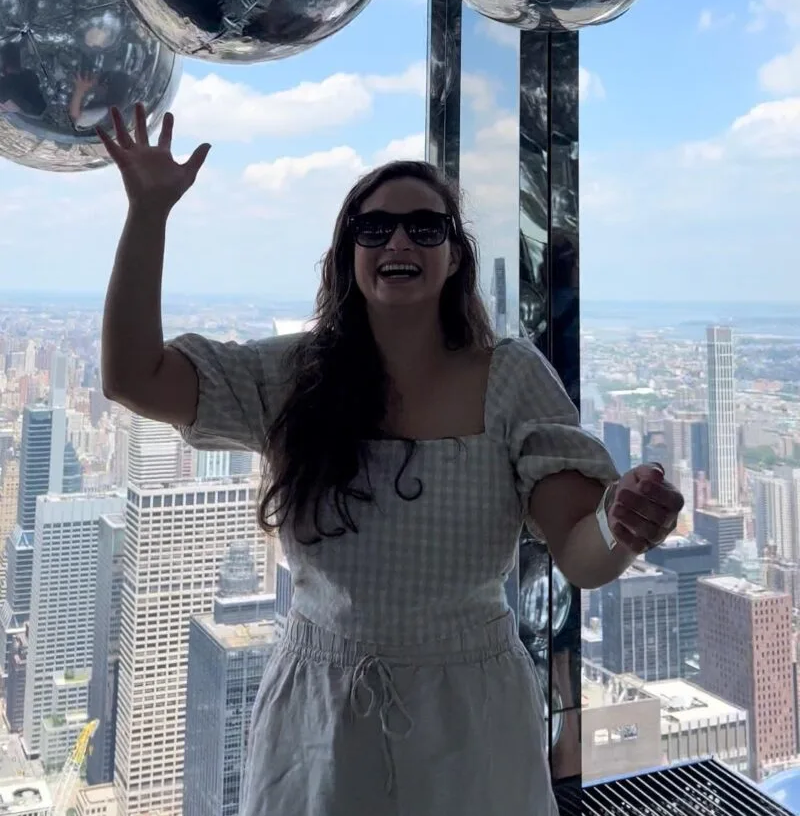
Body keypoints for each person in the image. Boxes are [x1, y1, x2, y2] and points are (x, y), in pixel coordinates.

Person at [98, 103, 683, 816]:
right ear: (349, 253)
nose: (397, 238)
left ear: (453, 253)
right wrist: (149, 211)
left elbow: (580, 553)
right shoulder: (292, 376)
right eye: (372, 227)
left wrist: (623, 524)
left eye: (423, 225)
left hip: (470, 714)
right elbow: (133, 374)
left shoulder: (510, 379)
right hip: (320, 715)